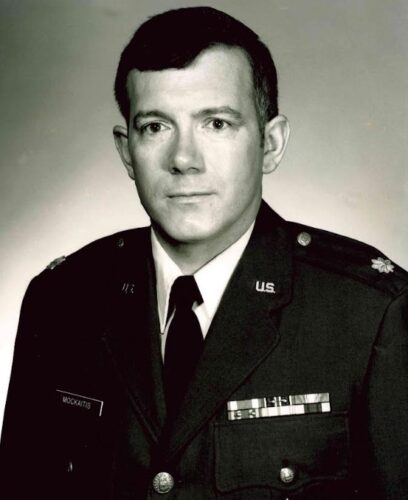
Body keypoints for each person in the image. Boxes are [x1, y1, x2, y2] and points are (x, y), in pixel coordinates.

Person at [1, 6, 408, 499]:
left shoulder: (371, 313)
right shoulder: (61, 302)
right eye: (155, 127)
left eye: (216, 123)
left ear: (271, 144)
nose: (184, 160)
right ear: (127, 150)